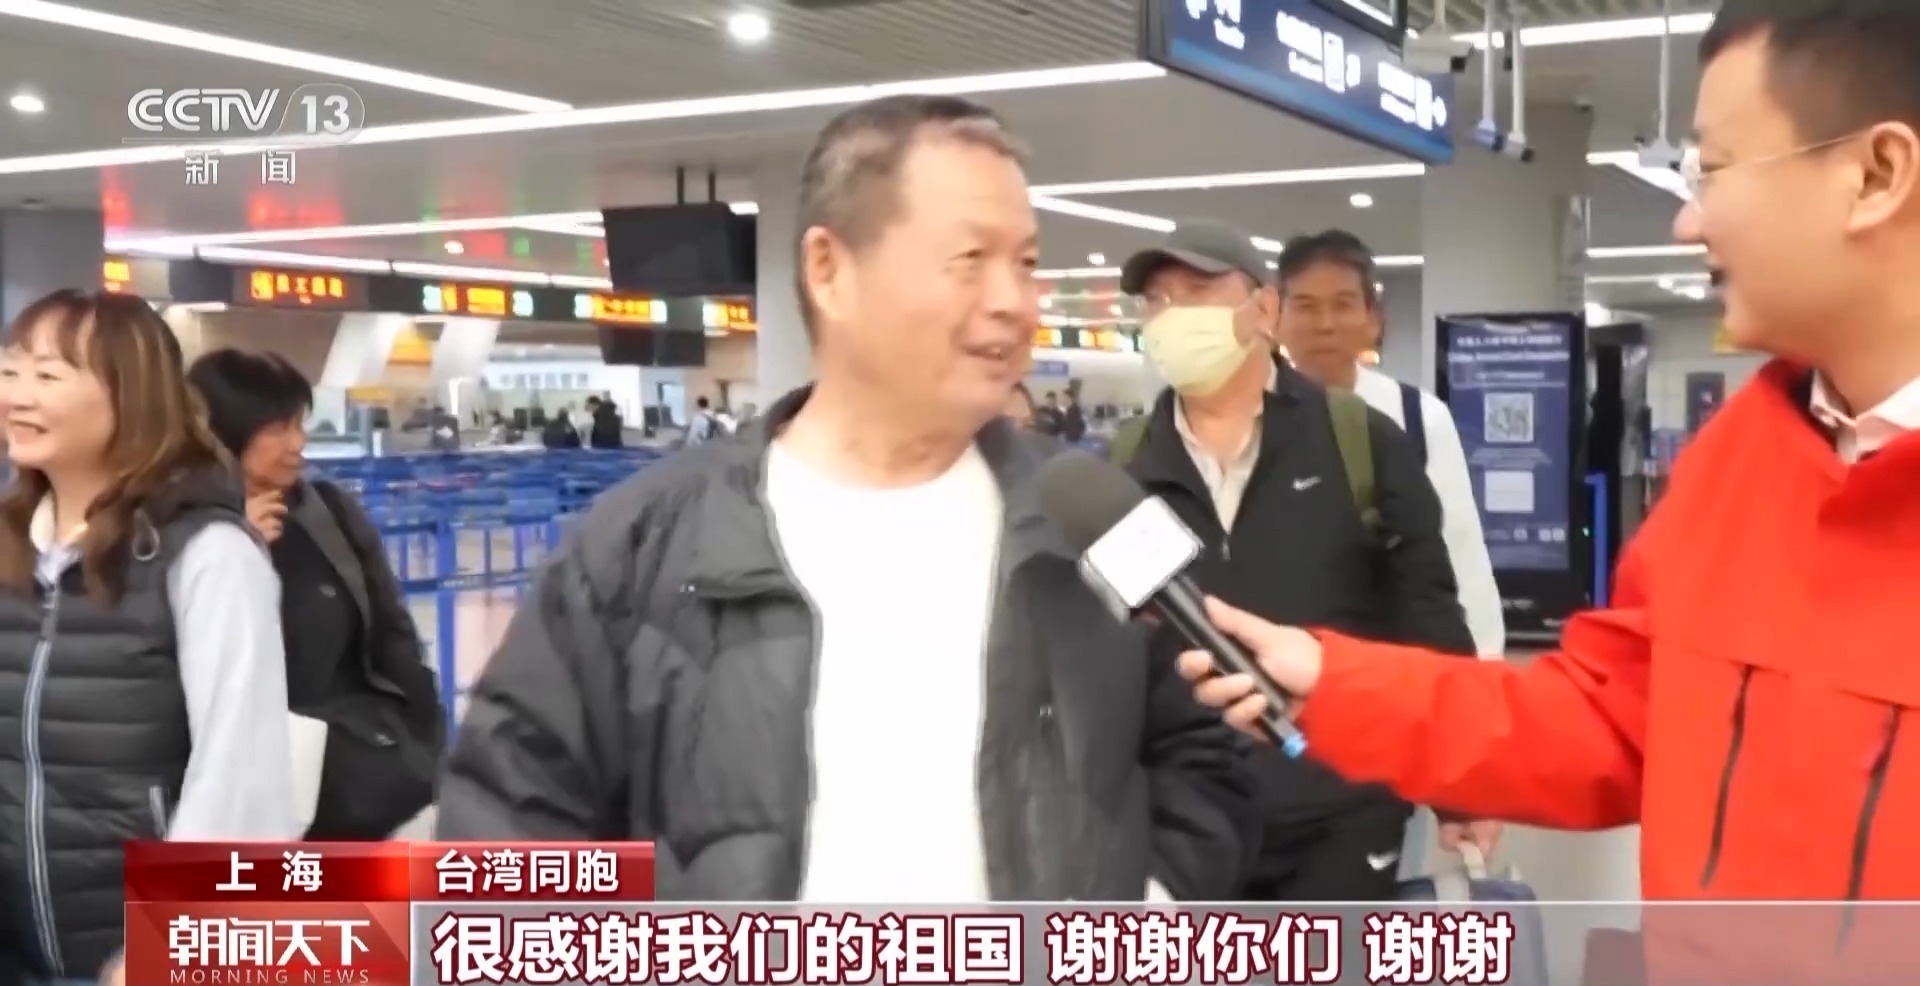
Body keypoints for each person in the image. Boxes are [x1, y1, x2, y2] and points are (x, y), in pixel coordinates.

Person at [1178, 1, 1920, 976]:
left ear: (1876, 174)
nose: (1687, 217)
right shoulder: (1739, 461)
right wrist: (1330, 679)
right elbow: (1604, 718)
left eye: (1713, 169)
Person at [437, 93, 1257, 901]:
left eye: (1028, 263)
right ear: (829, 270)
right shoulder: (640, 546)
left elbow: (1206, 752)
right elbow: (506, 825)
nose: (1013, 300)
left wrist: (1151, 907)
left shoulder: (1094, 517)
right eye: (970, 258)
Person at [1114, 220, 1476, 903]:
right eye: (1157, 300)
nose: (1173, 316)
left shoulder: (1359, 441)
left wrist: (1465, 782)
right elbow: (1114, 646)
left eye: (1197, 291)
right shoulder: (1127, 466)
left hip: (1341, 808)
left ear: (1264, 309)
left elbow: (1428, 615)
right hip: (1189, 826)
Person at [0, 290, 298, 985]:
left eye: (48, 375)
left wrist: (174, 938)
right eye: (10, 371)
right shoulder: (10, 546)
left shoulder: (207, 555)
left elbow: (241, 773)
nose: (17, 395)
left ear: (129, 395)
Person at [188, 348, 444, 841]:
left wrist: (423, 733)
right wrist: (235, 544)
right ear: (222, 431)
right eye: (276, 429)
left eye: (299, 424)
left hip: (351, 774)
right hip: (240, 790)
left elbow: (391, 631)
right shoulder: (179, 530)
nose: (297, 443)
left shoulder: (328, 513)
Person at [1275, 229, 1504, 657]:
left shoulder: (1418, 416)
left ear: (1373, 319)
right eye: (1305, 306)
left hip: (1392, 659)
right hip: (1283, 657)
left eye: (1343, 304)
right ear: (1276, 318)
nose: (1325, 324)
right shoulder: (1253, 418)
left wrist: (1481, 668)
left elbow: (1460, 550)